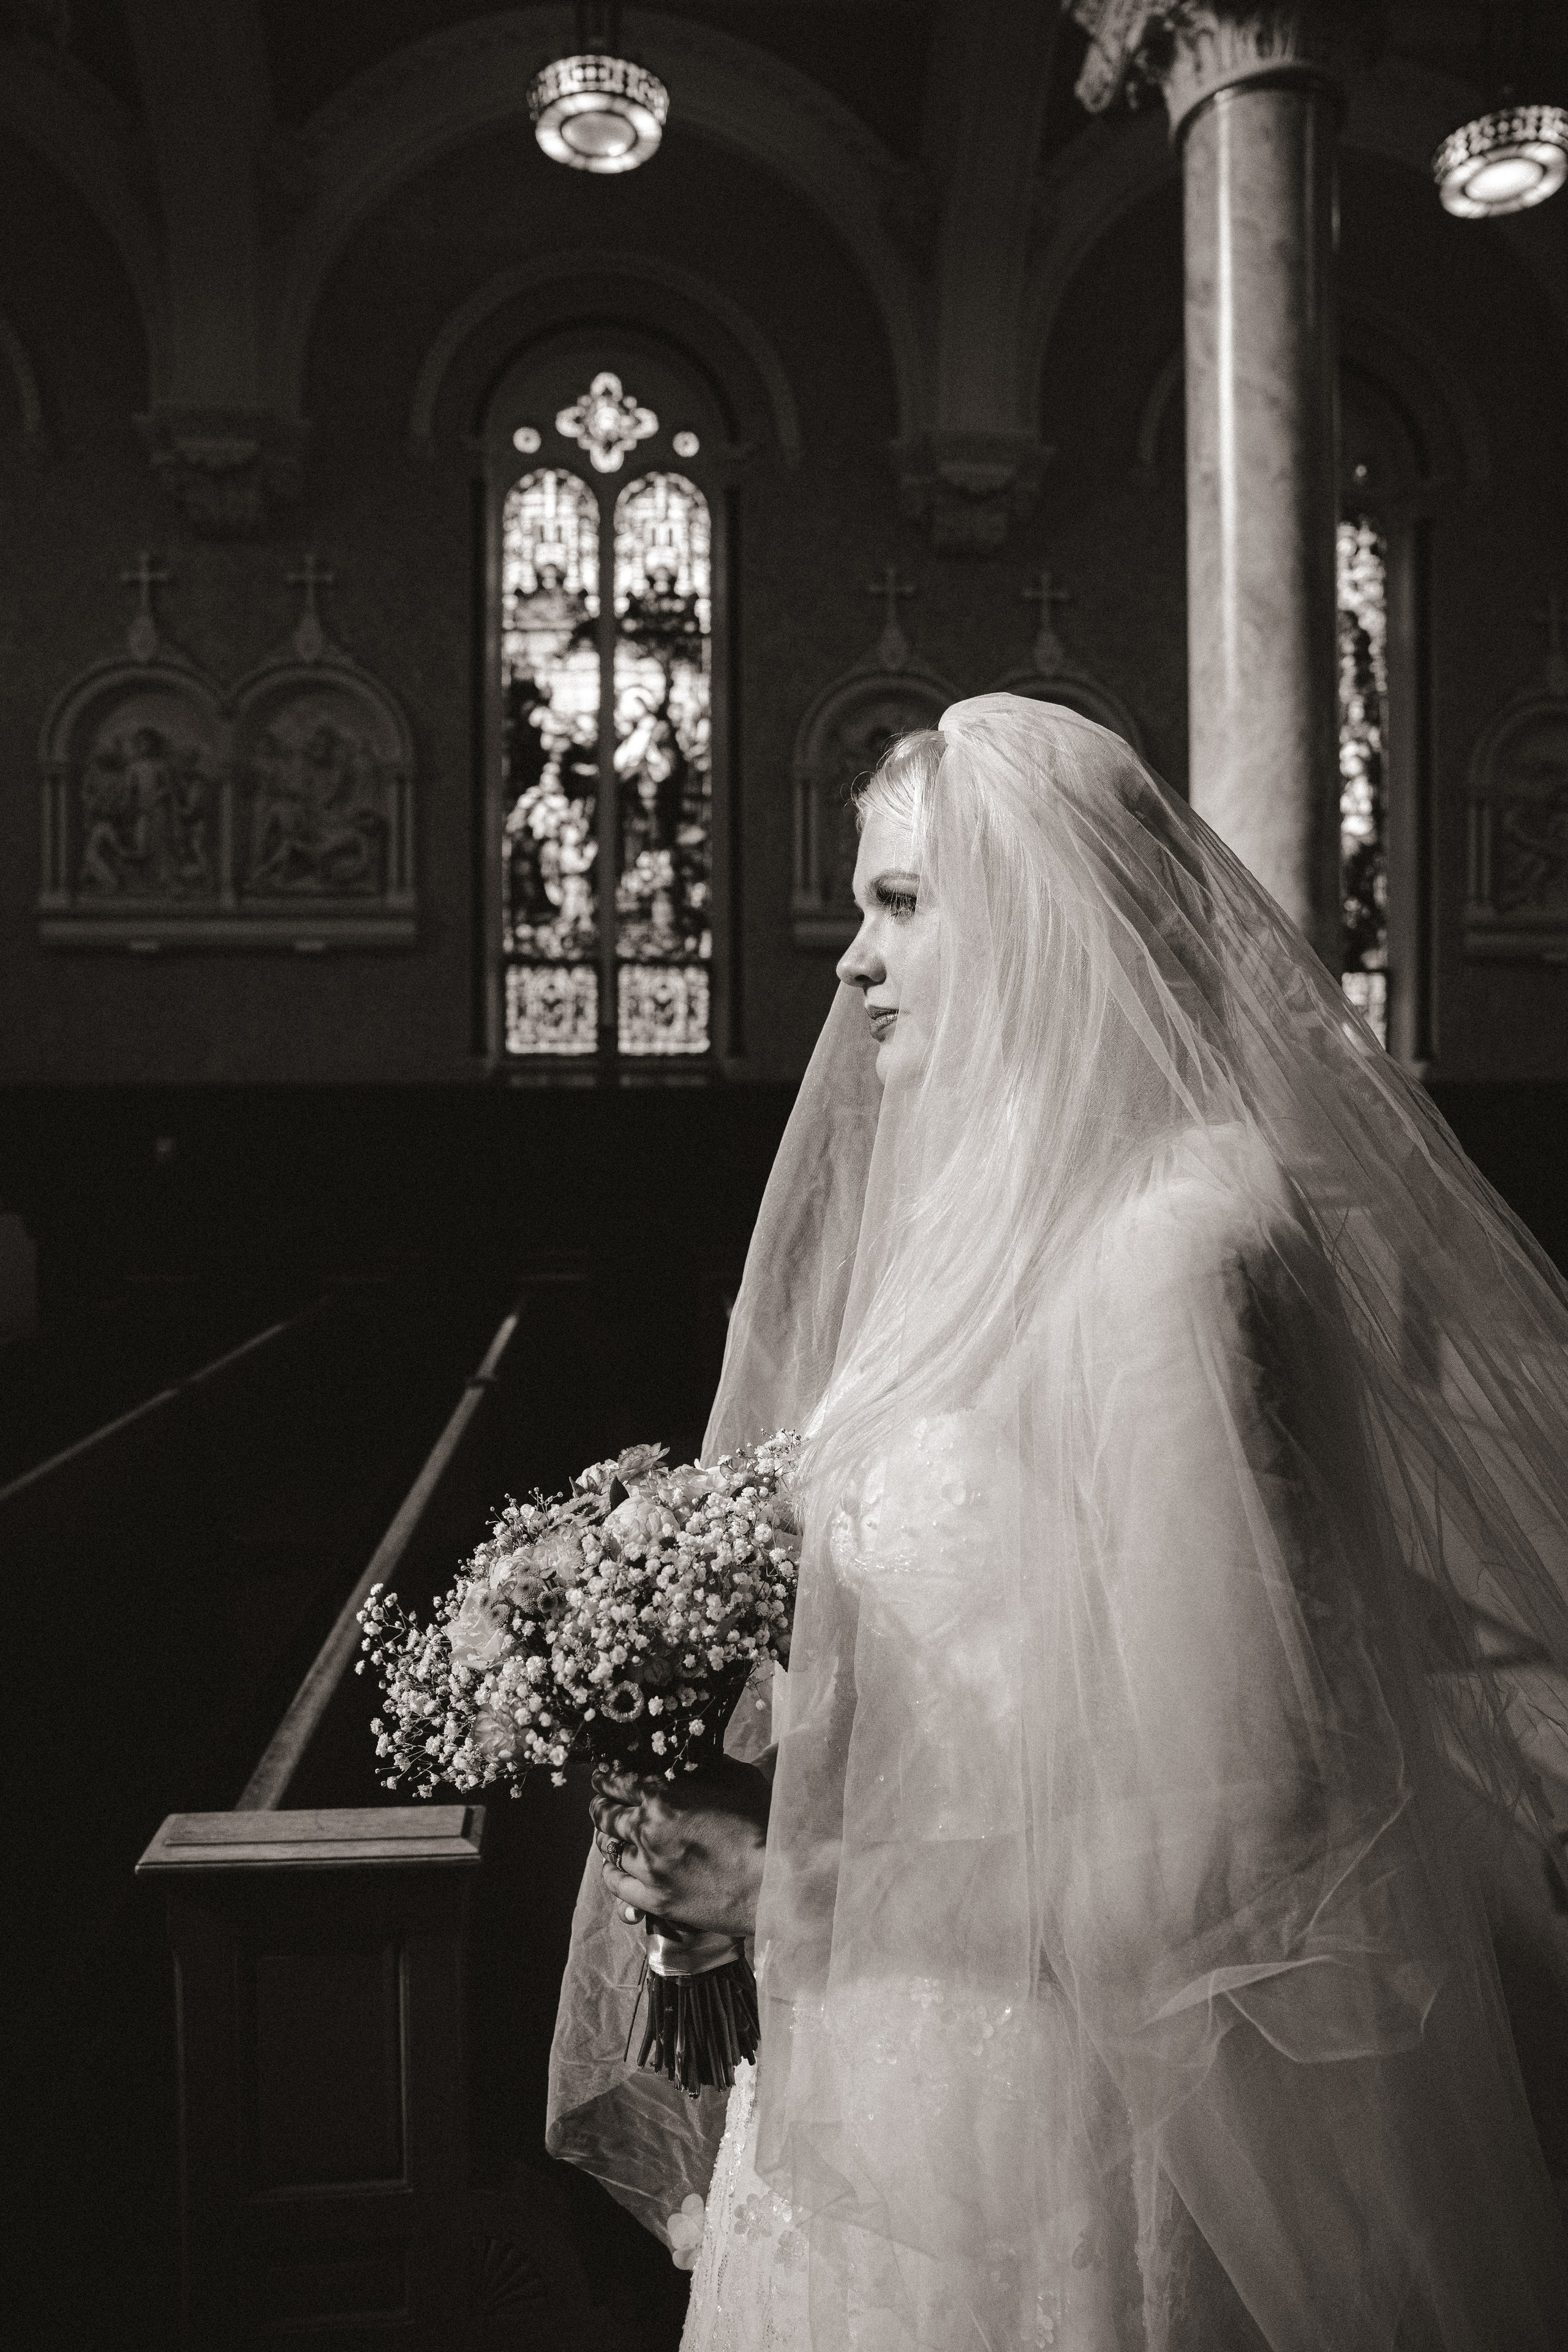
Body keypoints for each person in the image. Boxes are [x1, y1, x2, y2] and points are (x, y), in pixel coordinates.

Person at [550, 696, 1568, 2350]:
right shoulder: (978, 1236)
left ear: (1038, 924)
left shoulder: (1175, 1245)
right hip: (893, 2073)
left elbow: (1248, 1826)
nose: (846, 962)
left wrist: (792, 1884)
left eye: (899, 906)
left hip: (1073, 2126)